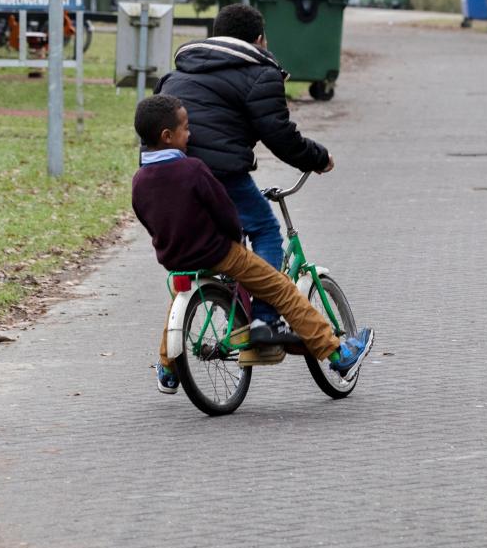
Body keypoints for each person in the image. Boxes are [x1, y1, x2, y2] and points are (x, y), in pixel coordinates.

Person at [130, 95, 373, 394]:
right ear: (167, 136)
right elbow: (224, 211)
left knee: (176, 305)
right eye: (185, 128)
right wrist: (236, 236)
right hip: (219, 252)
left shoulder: (139, 180)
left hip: (177, 257)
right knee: (281, 288)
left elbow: (145, 217)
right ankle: (338, 354)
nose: (190, 134)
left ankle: (168, 370)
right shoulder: (193, 169)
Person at [157, 3, 332, 363]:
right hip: (221, 175)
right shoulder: (259, 73)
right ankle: (264, 323)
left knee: (214, 253)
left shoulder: (179, 72)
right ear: (258, 39)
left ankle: (170, 367)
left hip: (173, 177)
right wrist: (318, 158)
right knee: (266, 231)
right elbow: (279, 135)